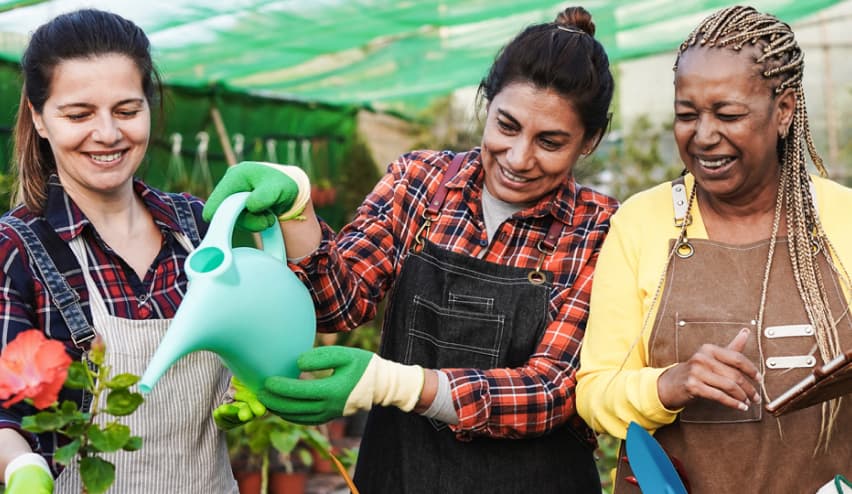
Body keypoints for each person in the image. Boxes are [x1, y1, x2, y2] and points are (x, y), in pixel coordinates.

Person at [203, 6, 617, 493]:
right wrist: (299, 210)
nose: (520, 158)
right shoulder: (421, 183)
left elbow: (550, 391)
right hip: (400, 474)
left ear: (589, 141)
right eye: (507, 126)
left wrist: (393, 385)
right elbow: (338, 304)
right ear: (487, 104)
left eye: (550, 142)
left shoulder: (600, 228)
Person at [576, 5, 852, 493]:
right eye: (687, 115)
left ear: (783, 110)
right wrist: (669, 385)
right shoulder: (642, 223)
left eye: (728, 114)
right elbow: (595, 394)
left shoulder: (840, 218)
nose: (703, 136)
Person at [0, 9, 259, 493]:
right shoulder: (18, 248)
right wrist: (20, 467)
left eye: (126, 110)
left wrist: (252, 374)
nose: (108, 134)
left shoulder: (197, 227)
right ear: (38, 118)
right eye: (79, 114)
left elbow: (250, 336)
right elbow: (3, 411)